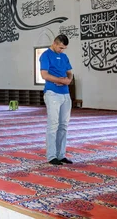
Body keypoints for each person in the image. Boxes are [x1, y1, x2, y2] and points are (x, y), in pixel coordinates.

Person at [39, 34, 73, 166]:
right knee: (53, 125)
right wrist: (60, 80)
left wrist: (68, 80)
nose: (61, 50)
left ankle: (61, 155)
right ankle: (52, 156)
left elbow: (70, 72)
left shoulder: (64, 57)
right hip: (52, 93)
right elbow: (44, 75)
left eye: (64, 48)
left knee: (63, 125)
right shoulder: (45, 55)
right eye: (60, 47)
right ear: (54, 43)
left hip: (65, 94)